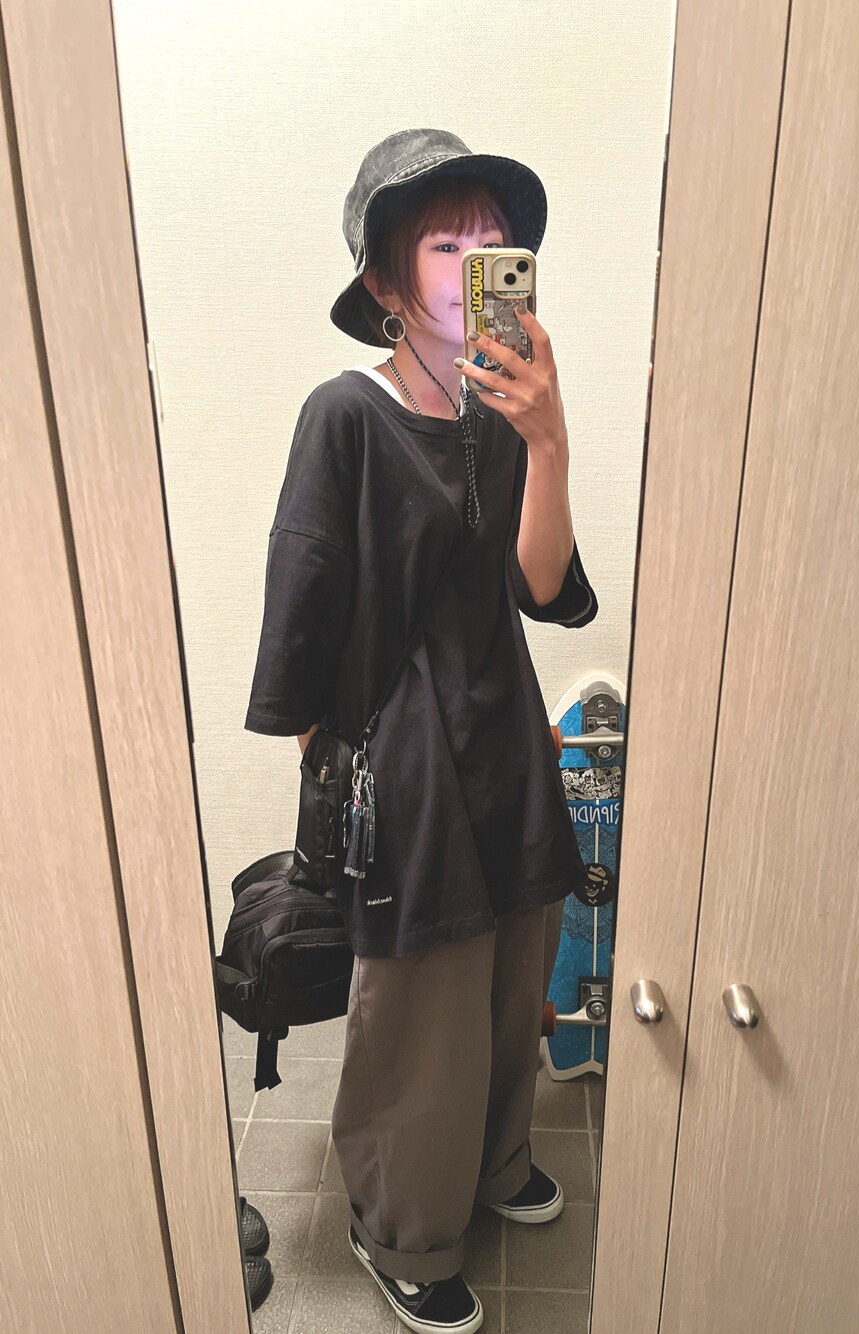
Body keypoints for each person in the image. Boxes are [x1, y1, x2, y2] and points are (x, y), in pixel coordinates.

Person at [244, 128, 598, 1334]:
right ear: (385, 283)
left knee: (509, 984)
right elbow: (300, 603)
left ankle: (495, 1165)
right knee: (421, 1018)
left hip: (509, 744)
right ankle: (399, 1224)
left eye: (492, 243)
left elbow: (541, 587)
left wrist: (548, 436)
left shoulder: (503, 412)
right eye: (446, 243)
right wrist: (327, 776)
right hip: (403, 764)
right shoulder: (344, 413)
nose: (475, 261)